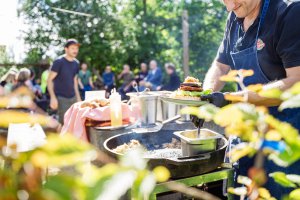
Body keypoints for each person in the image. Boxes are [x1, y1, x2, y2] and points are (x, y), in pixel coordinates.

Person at [201, 0, 300, 198]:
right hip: (246, 138)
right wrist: (205, 96)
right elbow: (220, 66)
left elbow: (296, 82)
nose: (229, 6)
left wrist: (231, 99)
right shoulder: (234, 18)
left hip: (281, 141)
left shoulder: (289, 13)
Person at [47, 39, 81, 124]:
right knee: (63, 123)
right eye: (72, 48)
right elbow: (49, 80)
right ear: (66, 49)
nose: (75, 50)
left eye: (76, 48)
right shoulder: (59, 62)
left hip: (73, 97)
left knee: (75, 122)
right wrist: (53, 97)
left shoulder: (76, 63)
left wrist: (78, 98)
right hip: (61, 98)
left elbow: (75, 81)